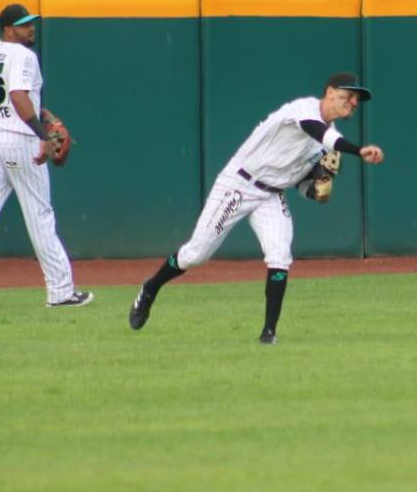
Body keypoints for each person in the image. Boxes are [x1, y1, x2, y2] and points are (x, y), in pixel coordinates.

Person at [129, 72, 385, 343]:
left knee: (280, 254)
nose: (353, 102)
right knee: (195, 255)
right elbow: (319, 132)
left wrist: (316, 190)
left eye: (357, 99)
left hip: (271, 195)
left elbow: (300, 182)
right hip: (238, 184)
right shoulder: (304, 110)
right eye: (349, 95)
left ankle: (268, 334)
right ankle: (150, 288)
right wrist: (358, 151)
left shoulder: (327, 146)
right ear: (330, 92)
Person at [0, 3, 94, 309]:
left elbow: (14, 98)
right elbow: (17, 96)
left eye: (31, 23)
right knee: (40, 215)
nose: (31, 29)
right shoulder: (25, 56)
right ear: (8, 30)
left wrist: (44, 115)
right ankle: (61, 292)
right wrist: (43, 136)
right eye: (24, 25)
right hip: (17, 141)